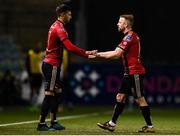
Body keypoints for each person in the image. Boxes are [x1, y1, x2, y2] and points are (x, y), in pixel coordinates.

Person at [37, 4, 96, 131]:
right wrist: (86, 53)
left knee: (57, 93)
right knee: (49, 94)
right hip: (52, 65)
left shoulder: (56, 25)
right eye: (69, 14)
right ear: (62, 14)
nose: (71, 16)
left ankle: (53, 122)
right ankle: (41, 124)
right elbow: (69, 47)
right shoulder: (60, 28)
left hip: (53, 64)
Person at [93, 14, 155, 133]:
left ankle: (150, 126)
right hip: (129, 72)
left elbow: (116, 54)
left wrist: (97, 54)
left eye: (119, 22)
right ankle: (111, 124)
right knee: (120, 97)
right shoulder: (130, 36)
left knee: (139, 98)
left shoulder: (129, 37)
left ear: (126, 24)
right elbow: (116, 52)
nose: (117, 24)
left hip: (135, 72)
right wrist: (98, 54)